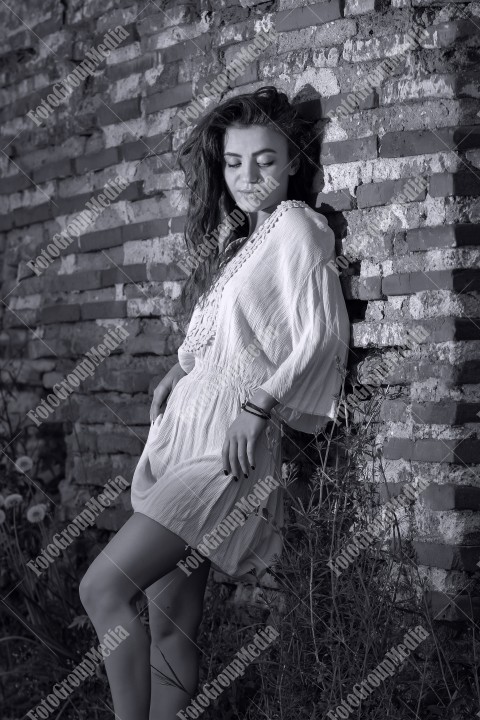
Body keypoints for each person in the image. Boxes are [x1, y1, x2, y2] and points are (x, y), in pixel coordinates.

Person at [79, 85, 350, 720]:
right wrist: (180, 369)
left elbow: (323, 333)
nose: (248, 177)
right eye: (233, 162)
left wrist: (259, 407)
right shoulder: (240, 245)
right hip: (187, 434)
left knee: (103, 587)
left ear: (293, 162)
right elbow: (231, 336)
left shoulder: (298, 227)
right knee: (171, 627)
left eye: (266, 160)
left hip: (226, 445)